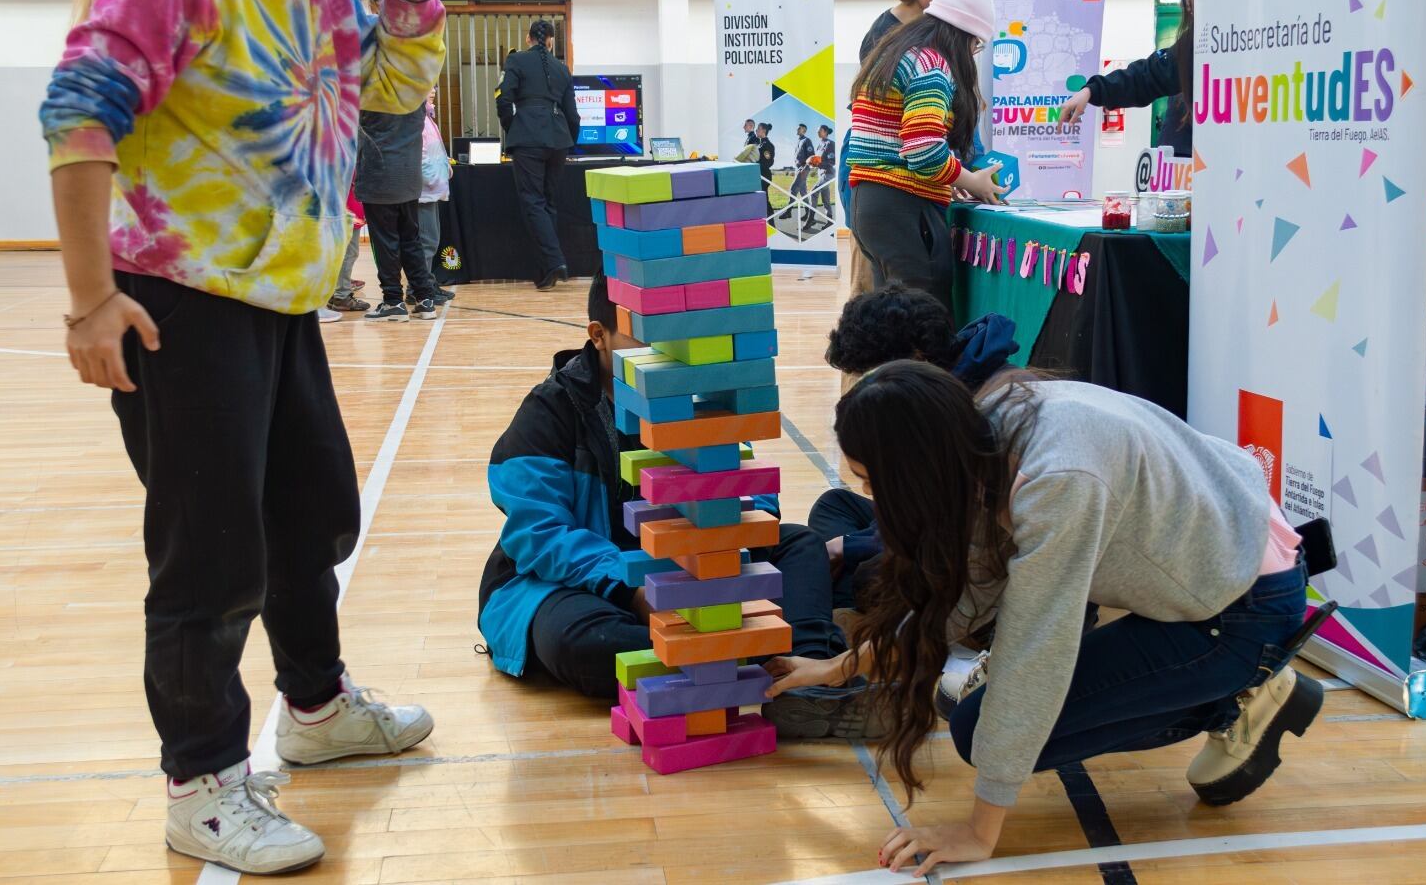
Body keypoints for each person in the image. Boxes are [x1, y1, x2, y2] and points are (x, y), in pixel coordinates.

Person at [38, 0, 451, 872]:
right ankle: (204, 777)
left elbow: (391, 100)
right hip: (177, 295)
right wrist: (90, 300)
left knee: (310, 513)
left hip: (280, 296)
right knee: (208, 549)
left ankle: (314, 706)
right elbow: (80, 109)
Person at [768, 361, 1321, 874]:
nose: (870, 500)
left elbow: (1035, 653)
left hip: (1245, 609)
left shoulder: (1058, 482)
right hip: (1220, 557)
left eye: (871, 483)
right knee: (984, 722)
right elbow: (971, 591)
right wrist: (841, 667)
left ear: (914, 472)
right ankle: (1224, 681)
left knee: (980, 729)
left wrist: (979, 832)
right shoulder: (987, 429)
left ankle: (1237, 696)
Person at [477, 273, 879, 738]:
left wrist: (743, 530)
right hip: (583, 585)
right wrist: (629, 587)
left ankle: (809, 674)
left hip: (687, 566)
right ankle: (751, 660)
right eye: (641, 336)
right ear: (598, 336)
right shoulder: (549, 412)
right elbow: (539, 534)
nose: (661, 352)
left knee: (799, 543)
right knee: (580, 640)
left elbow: (744, 474)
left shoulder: (691, 395)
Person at [814, 284, 1018, 609]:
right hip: (940, 521)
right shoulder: (945, 381)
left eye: (875, 377)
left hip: (974, 548)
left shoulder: (965, 415)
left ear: (914, 358)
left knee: (868, 575)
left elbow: (944, 528)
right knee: (834, 503)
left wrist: (849, 546)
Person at [847, 0, 1004, 311]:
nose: (973, 54)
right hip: (902, 207)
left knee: (893, 322)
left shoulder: (896, 52)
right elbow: (924, 152)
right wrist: (972, 180)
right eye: (975, 45)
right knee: (923, 320)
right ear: (961, 35)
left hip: (869, 204)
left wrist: (949, 178)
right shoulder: (931, 66)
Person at [1059, 0, 1195, 157]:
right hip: (1180, 172)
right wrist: (1092, 90)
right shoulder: (1190, 46)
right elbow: (1145, 76)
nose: (1188, 1)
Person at [497, 18, 579, 291]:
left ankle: (555, 261)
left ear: (528, 38)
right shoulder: (562, 69)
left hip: (528, 139)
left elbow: (503, 99)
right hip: (558, 141)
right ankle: (546, 271)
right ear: (551, 40)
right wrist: (569, 142)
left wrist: (514, 128)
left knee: (533, 203)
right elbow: (573, 115)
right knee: (548, 204)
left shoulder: (516, 61)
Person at [357, 75, 443, 322]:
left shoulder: (371, 95)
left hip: (380, 177)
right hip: (409, 176)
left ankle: (393, 300)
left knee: (385, 242)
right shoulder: (415, 94)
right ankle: (425, 299)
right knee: (411, 239)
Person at [416, 99, 455, 299]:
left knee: (432, 239)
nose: (433, 91)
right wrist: (432, 176)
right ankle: (418, 290)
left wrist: (444, 165)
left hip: (433, 189)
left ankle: (427, 283)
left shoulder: (428, 118)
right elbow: (420, 156)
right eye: (429, 87)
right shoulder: (418, 119)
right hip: (425, 190)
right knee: (426, 241)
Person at [325, 180, 370, 315]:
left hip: (347, 212)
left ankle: (338, 292)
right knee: (349, 254)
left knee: (343, 254)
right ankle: (342, 296)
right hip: (348, 214)